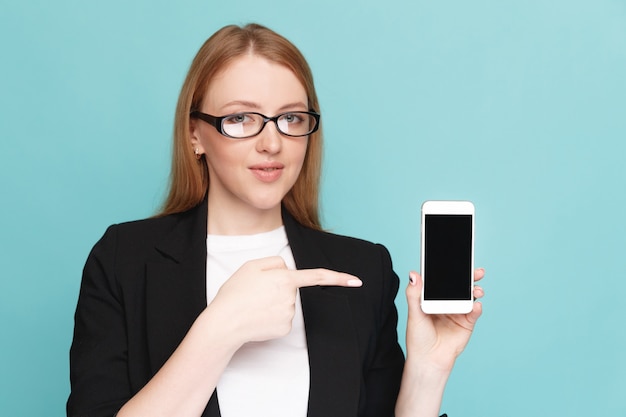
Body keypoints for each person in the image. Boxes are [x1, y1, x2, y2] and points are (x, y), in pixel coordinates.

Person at [67, 23, 484, 417]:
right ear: (195, 134)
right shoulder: (124, 260)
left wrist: (430, 370)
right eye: (240, 119)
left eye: (290, 119)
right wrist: (220, 330)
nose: (272, 143)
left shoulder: (361, 271)